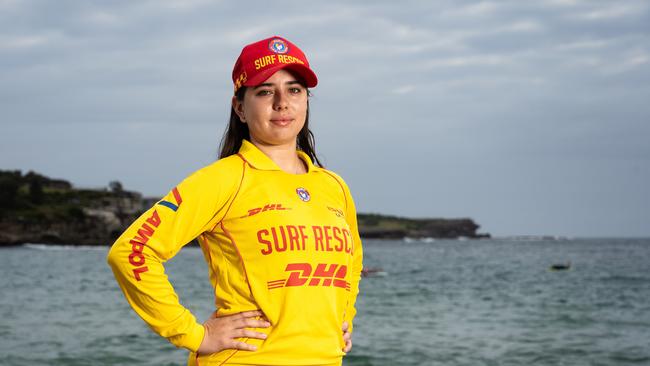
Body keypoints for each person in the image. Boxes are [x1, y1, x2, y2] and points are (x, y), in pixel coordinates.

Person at [107, 35, 363, 366]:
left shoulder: (334, 186)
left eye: (295, 89)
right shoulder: (223, 179)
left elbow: (352, 261)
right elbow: (131, 252)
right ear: (240, 107)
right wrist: (194, 334)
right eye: (265, 91)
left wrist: (344, 317)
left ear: (306, 101)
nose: (282, 102)